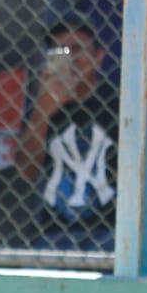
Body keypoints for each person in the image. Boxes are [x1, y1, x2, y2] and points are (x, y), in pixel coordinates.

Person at [14, 15, 118, 252]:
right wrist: (45, 107)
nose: (70, 57)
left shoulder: (117, 105)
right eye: (61, 50)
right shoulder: (42, 105)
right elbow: (25, 169)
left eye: (78, 49)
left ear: (97, 57)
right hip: (54, 232)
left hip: (110, 231)